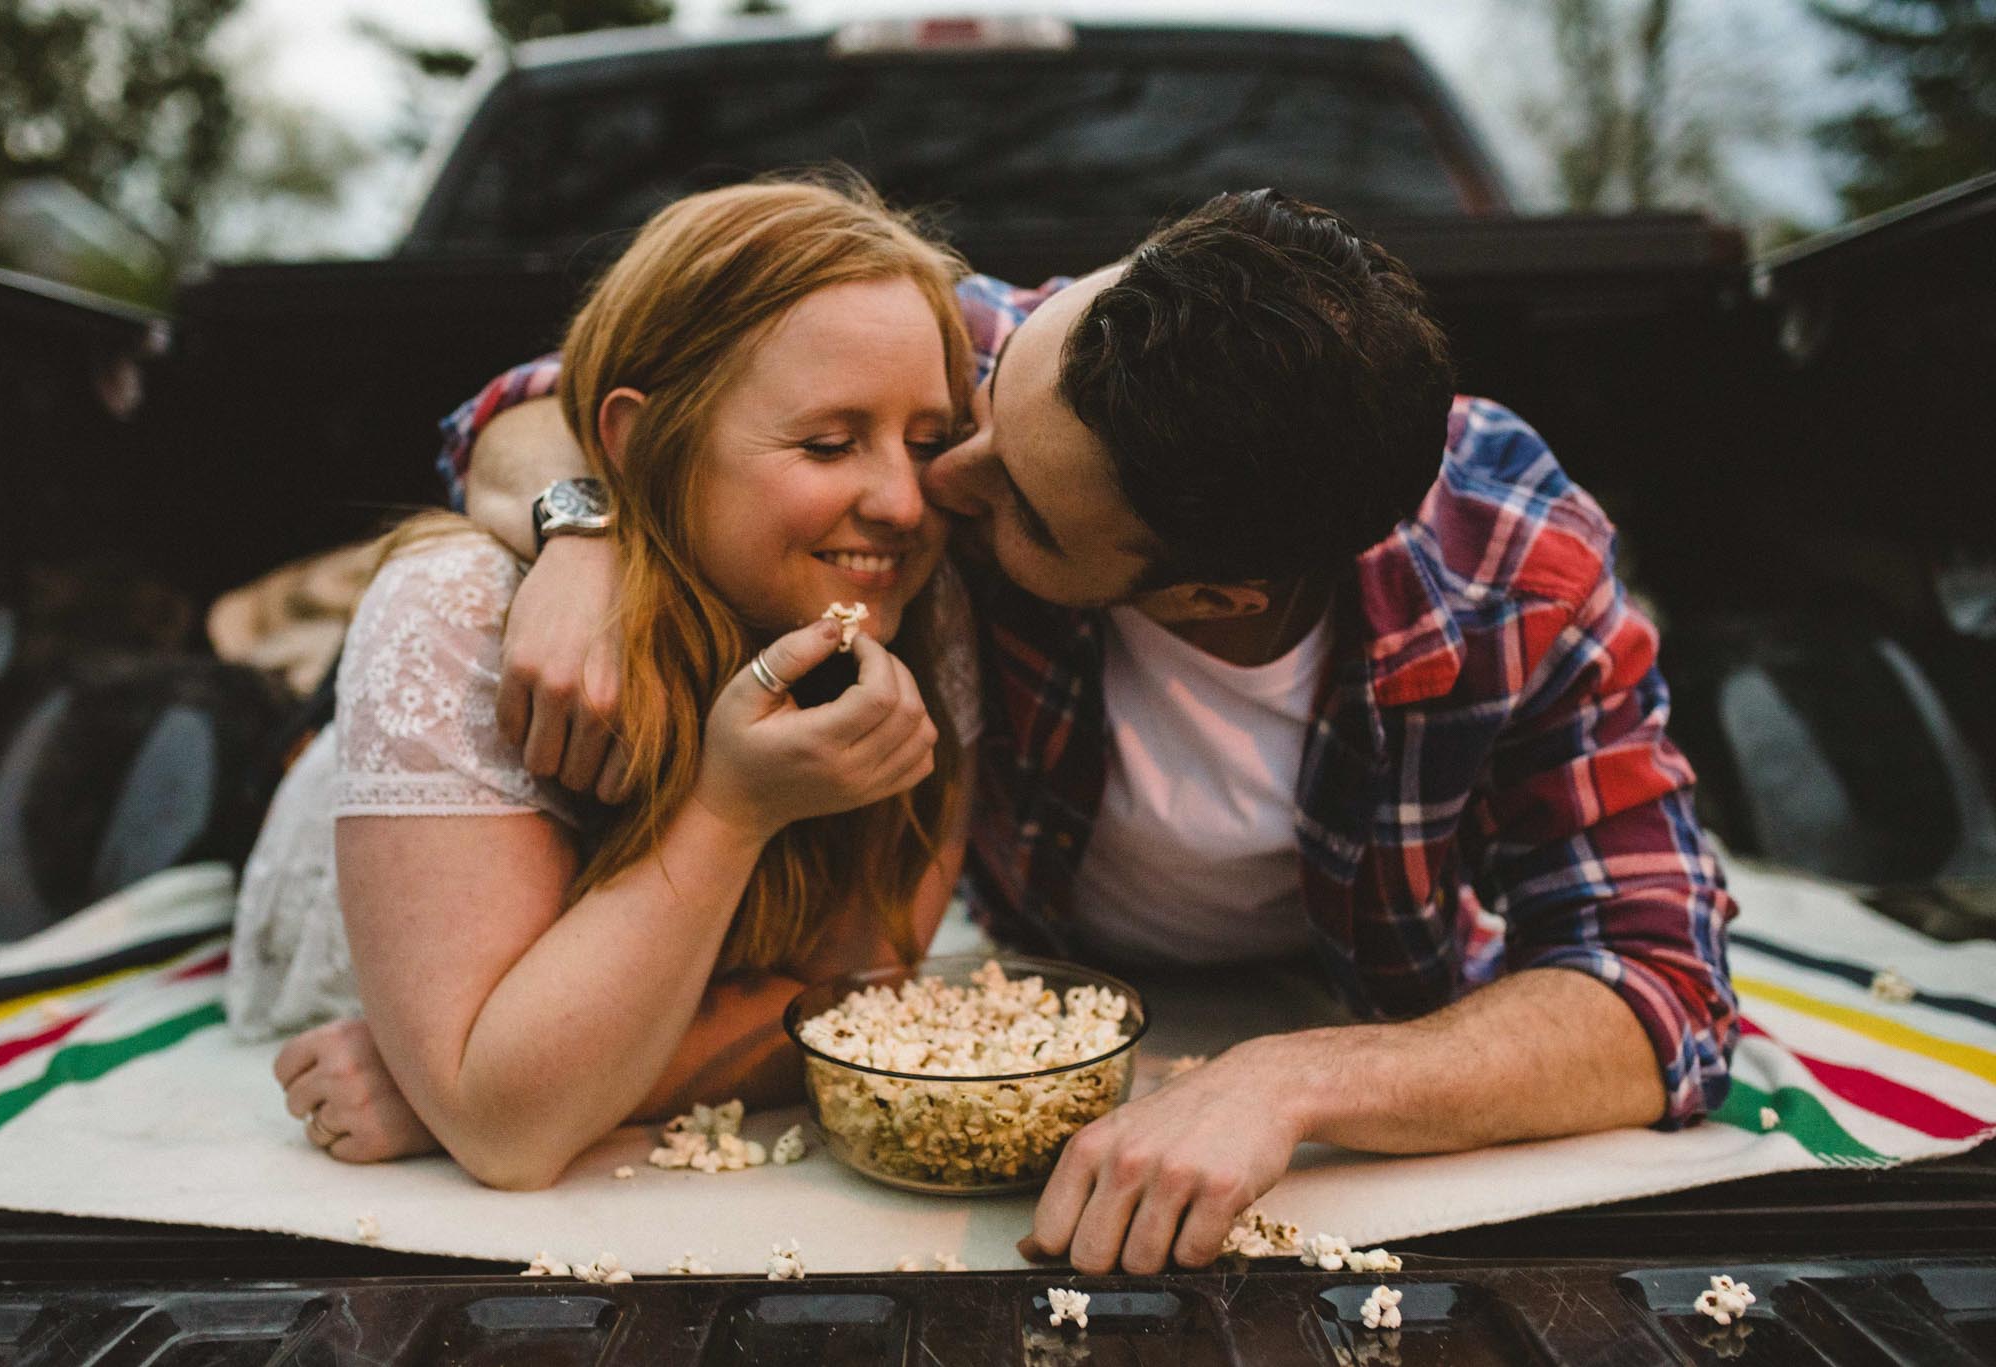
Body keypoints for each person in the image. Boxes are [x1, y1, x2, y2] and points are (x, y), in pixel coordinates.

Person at [440, 189, 1740, 1263]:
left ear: (1214, 592)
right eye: (983, 407)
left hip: (1330, 1006)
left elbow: (1659, 987)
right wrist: (582, 523)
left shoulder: (1520, 568)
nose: (931, 485)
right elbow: (556, 394)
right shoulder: (1000, 346)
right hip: (991, 979)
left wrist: (1282, 1083)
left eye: (1023, 510)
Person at [226, 178, 983, 1190]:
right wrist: (728, 810)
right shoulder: (459, 609)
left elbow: (854, 996)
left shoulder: (916, 606)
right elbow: (514, 1140)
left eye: (925, 442)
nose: (900, 501)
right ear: (636, 441)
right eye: (827, 443)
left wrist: (503, 1080)